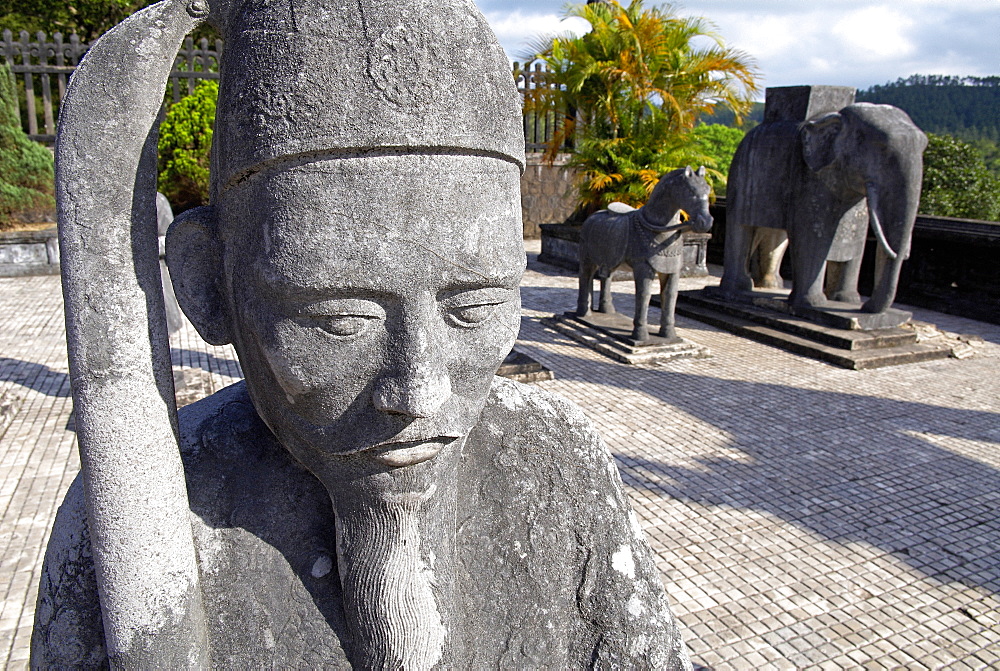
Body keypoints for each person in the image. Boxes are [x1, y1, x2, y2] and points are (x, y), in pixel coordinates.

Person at [32, 0, 692, 668]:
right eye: (339, 321)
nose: (419, 390)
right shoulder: (126, 525)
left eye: (472, 308)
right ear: (208, 283)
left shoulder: (559, 467)